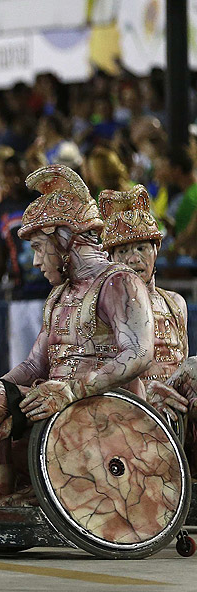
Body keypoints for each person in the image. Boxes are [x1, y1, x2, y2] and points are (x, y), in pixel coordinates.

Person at [0, 165, 154, 505]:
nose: (34, 260)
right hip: (52, 404)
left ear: (65, 239)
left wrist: (72, 389)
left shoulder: (119, 282)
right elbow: (35, 364)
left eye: (40, 247)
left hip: (101, 411)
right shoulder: (58, 296)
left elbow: (139, 353)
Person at [99, 186, 197, 466]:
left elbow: (183, 363)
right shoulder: (105, 305)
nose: (133, 258)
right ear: (110, 258)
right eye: (123, 250)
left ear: (156, 249)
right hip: (130, 408)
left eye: (141, 247)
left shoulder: (175, 302)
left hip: (177, 403)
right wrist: (144, 394)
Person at [0, 155, 51, 367]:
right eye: (8, 174)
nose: (13, 179)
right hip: (20, 297)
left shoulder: (42, 202)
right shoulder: (2, 210)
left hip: (50, 295)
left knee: (52, 364)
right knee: (22, 364)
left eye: (18, 174)